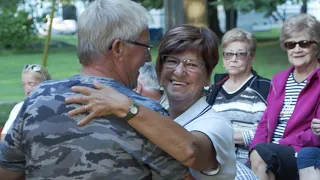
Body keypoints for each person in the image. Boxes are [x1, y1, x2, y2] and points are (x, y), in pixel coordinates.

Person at [0, 0, 188, 179]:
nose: (147, 58)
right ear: (118, 48)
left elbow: (6, 172)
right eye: (145, 47)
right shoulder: (144, 112)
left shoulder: (36, 99)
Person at [65, 24, 237, 179]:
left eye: (191, 65)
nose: (179, 72)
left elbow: (191, 152)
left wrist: (126, 106)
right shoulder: (154, 110)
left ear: (207, 76)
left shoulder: (216, 124)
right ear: (159, 69)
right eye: (171, 61)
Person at [249, 13, 320, 180]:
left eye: (304, 43)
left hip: (301, 151)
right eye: (290, 44)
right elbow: (264, 124)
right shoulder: (279, 80)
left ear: (316, 46)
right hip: (270, 152)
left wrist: (278, 145)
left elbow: (315, 133)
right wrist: (256, 148)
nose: (297, 49)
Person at [207, 28, 271, 165]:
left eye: (240, 54)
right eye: (228, 54)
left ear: (251, 58)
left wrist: (224, 136)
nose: (233, 60)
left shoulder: (265, 89)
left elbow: (266, 131)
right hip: (215, 160)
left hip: (250, 161)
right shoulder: (214, 91)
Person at [1, 64, 51, 140]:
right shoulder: (19, 108)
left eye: (31, 84)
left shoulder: (55, 106)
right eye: (24, 84)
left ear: (45, 83)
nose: (27, 89)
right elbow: (3, 138)